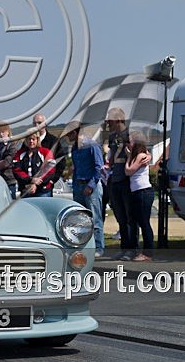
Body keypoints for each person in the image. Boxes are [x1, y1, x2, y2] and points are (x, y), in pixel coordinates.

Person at [62, 120, 105, 258]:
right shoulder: (75, 148)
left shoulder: (92, 146)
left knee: (95, 218)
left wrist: (91, 185)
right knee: (80, 219)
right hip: (79, 185)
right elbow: (76, 168)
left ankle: (98, 247)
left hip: (90, 186)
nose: (68, 137)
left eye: (69, 134)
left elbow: (99, 167)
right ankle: (83, 246)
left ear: (75, 132)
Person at [105, 108, 134, 260]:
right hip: (114, 178)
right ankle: (124, 248)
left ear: (118, 120)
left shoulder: (130, 135)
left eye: (109, 120)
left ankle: (131, 249)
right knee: (120, 217)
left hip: (126, 180)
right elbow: (111, 157)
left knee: (129, 216)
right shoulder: (112, 137)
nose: (107, 123)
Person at [124, 133, 155, 262]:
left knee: (144, 222)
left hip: (143, 191)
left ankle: (148, 252)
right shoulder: (140, 155)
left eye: (130, 142)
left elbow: (129, 170)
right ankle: (138, 249)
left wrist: (129, 156)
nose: (127, 144)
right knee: (136, 221)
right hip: (136, 191)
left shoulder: (140, 156)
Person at [12, 132, 56, 198]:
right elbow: (16, 170)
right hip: (26, 189)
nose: (31, 141)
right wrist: (30, 180)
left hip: (43, 190)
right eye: (29, 139)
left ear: (37, 140)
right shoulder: (19, 154)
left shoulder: (46, 152)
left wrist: (36, 184)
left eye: (33, 139)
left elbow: (50, 171)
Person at [32, 113, 67, 184]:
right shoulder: (28, 141)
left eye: (39, 123)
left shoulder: (53, 141)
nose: (37, 125)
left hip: (46, 185)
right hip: (30, 183)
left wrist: (53, 179)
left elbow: (61, 161)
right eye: (34, 123)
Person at [0, 121, 19, 199]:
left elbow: (7, 162)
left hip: (9, 180)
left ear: (7, 131)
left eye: (2, 132)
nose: (1, 134)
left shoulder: (12, 145)